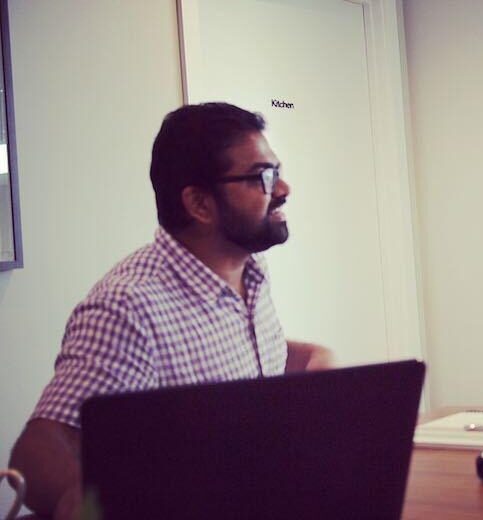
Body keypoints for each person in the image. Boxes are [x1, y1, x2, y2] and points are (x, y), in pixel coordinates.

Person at [8, 103, 332, 519]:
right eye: (262, 176)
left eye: (277, 171)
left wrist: (314, 359)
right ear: (199, 204)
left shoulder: (248, 270)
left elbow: (242, 356)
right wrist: (91, 509)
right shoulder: (127, 309)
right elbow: (36, 454)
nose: (283, 188)